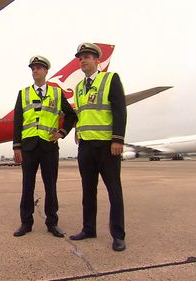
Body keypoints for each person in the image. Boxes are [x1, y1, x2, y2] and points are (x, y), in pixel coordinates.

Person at [68, 43, 127, 251]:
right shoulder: (78, 87)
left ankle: (118, 235)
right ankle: (88, 229)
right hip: (85, 147)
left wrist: (118, 139)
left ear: (97, 60)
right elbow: (81, 114)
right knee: (88, 191)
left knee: (114, 192)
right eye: (80, 57)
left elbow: (120, 110)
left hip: (106, 147)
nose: (83, 60)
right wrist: (77, 131)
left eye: (87, 56)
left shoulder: (110, 79)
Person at [12, 55, 76, 238]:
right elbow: (18, 122)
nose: (35, 71)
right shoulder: (23, 94)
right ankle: (26, 223)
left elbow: (71, 115)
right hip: (29, 147)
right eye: (33, 68)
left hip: (49, 146)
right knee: (27, 186)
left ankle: (52, 222)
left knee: (51, 186)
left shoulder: (56, 93)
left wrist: (62, 133)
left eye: (39, 68)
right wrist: (17, 147)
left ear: (46, 71)